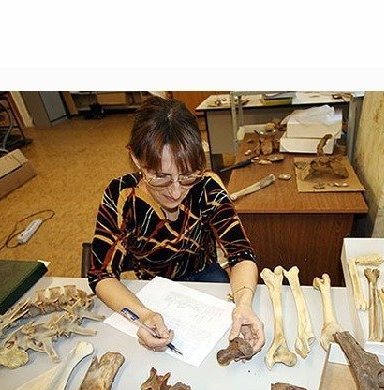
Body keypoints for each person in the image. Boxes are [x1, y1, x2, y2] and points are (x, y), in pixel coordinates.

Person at [87, 96, 265, 354]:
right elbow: (101, 275)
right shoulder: (122, 195)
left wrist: (245, 304)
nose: (175, 192)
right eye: (160, 177)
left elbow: (241, 254)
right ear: (136, 158)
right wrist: (141, 314)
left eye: (187, 176)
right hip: (153, 288)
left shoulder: (206, 186)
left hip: (205, 274)